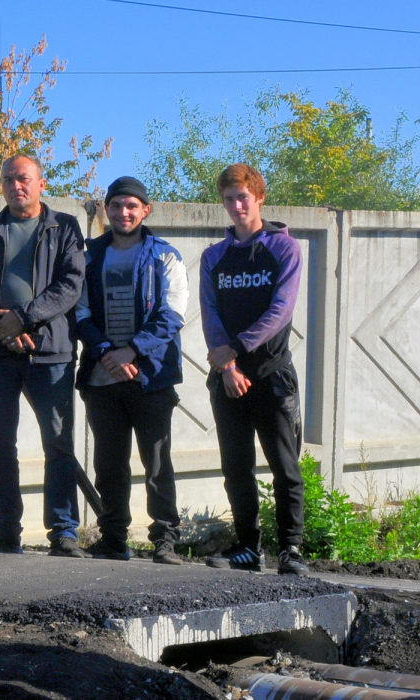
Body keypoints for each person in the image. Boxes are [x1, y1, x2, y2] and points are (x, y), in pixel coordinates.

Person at [0, 154, 87, 556]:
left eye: (25, 178)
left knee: (59, 443)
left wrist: (23, 319)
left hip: (51, 354)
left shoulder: (64, 226)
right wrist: (0, 327)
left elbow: (70, 286)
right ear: (1, 185)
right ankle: (6, 530)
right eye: (9, 179)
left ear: (41, 182)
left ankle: (63, 532)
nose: (17, 186)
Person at [200, 163, 309, 575]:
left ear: (259, 197)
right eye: (228, 199)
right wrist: (225, 363)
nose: (236, 205)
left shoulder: (284, 248)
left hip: (271, 375)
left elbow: (280, 312)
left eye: (243, 197)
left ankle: (291, 549)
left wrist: (238, 348)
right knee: (236, 467)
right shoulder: (214, 257)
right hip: (227, 377)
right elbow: (209, 315)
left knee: (285, 466)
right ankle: (248, 546)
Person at [74, 176, 187, 565]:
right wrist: (107, 351)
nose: (124, 212)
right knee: (108, 464)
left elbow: (172, 315)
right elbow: (80, 311)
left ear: (145, 210)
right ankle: (114, 539)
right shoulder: (88, 256)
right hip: (102, 377)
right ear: (107, 209)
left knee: (156, 464)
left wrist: (133, 352)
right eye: (117, 205)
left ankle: (165, 541)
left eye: (132, 206)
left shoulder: (165, 256)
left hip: (151, 378)